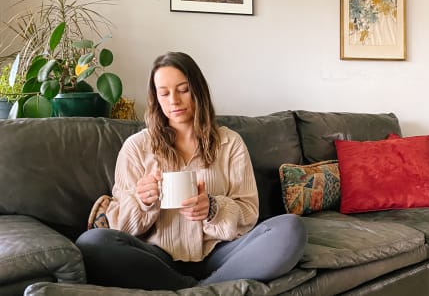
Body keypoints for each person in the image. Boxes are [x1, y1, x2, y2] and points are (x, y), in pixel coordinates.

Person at [76, 51, 307, 290]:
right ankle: (209, 289)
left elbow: (249, 213)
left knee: (291, 229)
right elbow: (120, 227)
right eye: (164, 93)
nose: (173, 101)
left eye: (183, 90)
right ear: (155, 97)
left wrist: (213, 208)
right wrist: (143, 202)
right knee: (92, 243)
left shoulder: (230, 142)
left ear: (198, 90)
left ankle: (187, 290)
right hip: (156, 258)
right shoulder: (136, 147)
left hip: (220, 254)